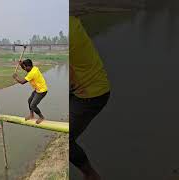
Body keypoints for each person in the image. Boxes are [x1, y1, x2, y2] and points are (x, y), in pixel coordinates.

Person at [70, 15, 111, 180]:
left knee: (66, 139)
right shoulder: (70, 22)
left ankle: (91, 175)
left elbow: (69, 82)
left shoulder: (69, 35)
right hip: (87, 86)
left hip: (91, 95)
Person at [12, 59, 48, 124]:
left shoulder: (32, 73)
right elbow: (26, 69)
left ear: (28, 66)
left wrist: (16, 77)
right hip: (37, 89)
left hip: (42, 91)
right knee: (29, 100)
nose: (24, 69)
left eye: (25, 67)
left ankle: (41, 117)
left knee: (33, 105)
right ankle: (32, 115)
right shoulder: (33, 68)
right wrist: (21, 65)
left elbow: (22, 82)